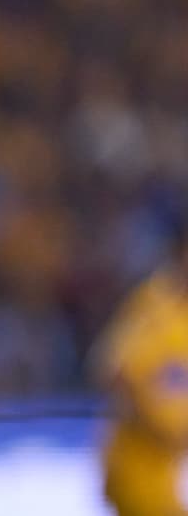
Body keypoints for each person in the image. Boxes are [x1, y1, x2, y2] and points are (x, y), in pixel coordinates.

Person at [93, 216, 188, 516]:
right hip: (135, 473)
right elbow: (115, 373)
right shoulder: (156, 306)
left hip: (165, 478)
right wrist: (160, 427)